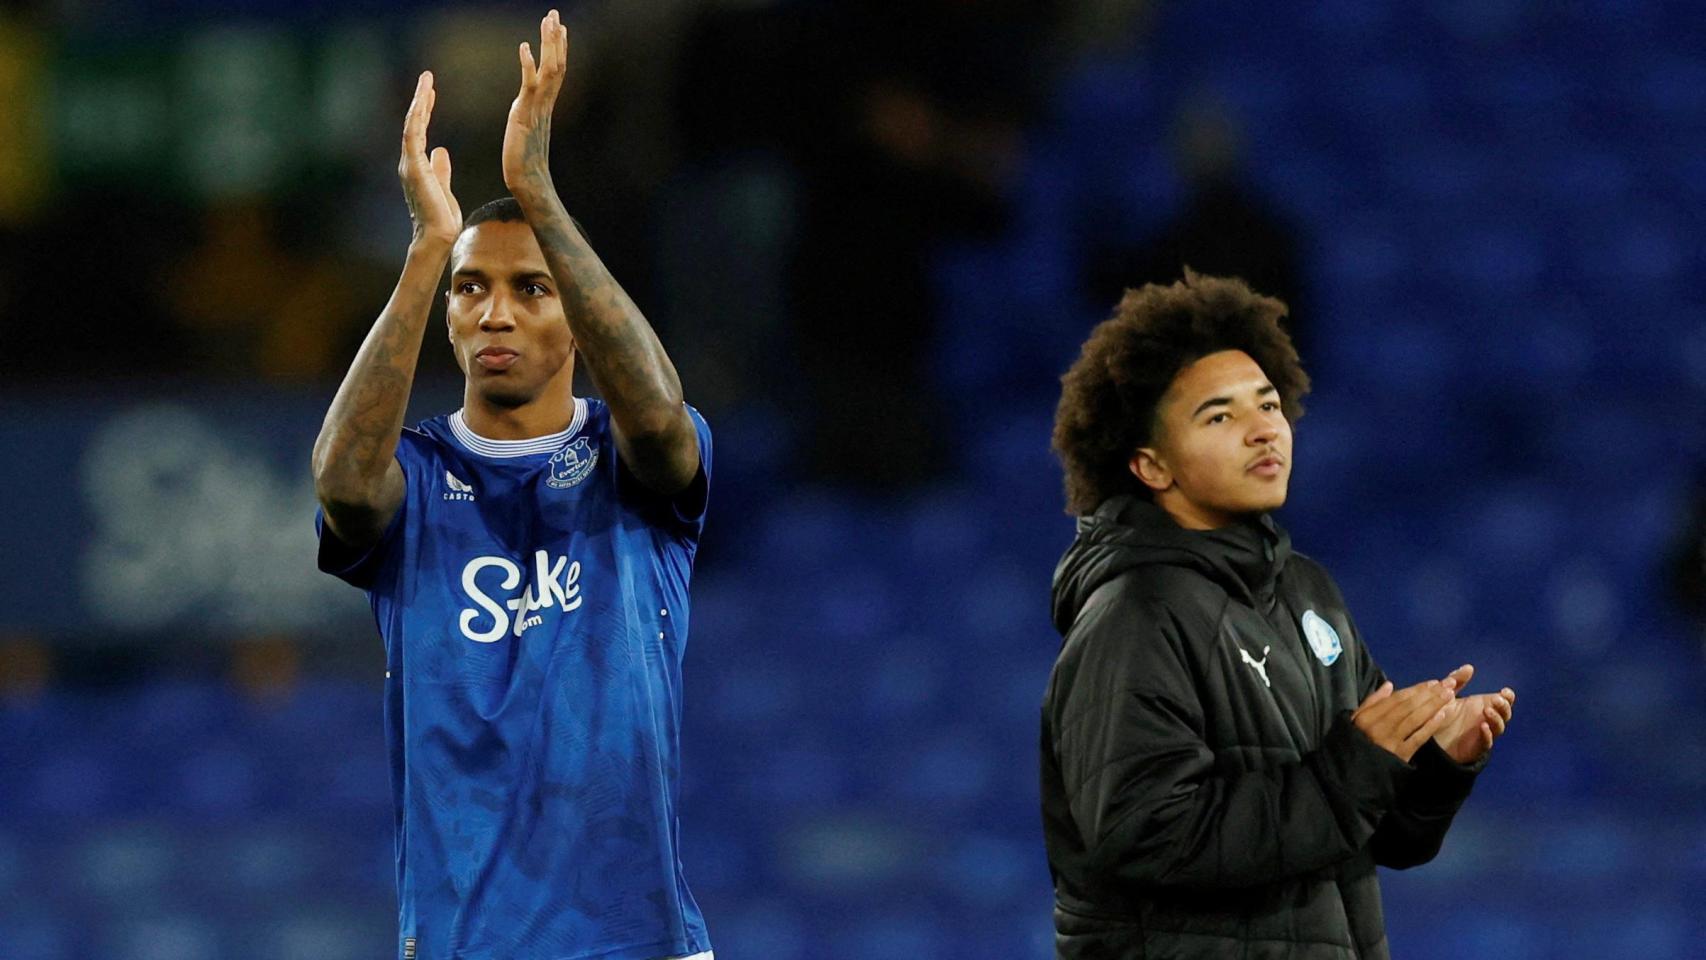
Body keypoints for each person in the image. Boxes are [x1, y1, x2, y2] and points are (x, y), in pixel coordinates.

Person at [310, 12, 712, 960]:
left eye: (531, 288)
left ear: (576, 313)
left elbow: (660, 418)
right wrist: (427, 252)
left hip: (639, 943)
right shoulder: (415, 476)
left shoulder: (629, 461)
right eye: (471, 289)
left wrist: (539, 194)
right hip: (466, 943)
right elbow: (342, 483)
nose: (495, 312)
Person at [1041, 271, 1515, 959]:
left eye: (1268, 405)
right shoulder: (1135, 615)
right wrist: (1355, 770)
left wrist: (1434, 765)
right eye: (1220, 417)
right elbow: (1147, 837)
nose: (1264, 430)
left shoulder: (1306, 591)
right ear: (1151, 466)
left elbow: (1377, 834)